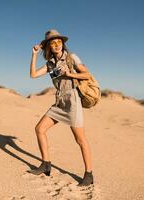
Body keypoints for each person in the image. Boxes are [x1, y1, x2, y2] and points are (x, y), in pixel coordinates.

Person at [29, 29, 93, 186]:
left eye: (59, 42)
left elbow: (87, 75)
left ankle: (89, 174)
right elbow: (33, 75)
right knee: (39, 129)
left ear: (63, 43)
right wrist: (34, 54)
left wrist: (70, 74)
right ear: (49, 47)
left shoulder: (72, 58)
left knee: (80, 139)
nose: (56, 45)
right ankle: (46, 165)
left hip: (73, 102)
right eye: (52, 43)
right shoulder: (50, 64)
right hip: (59, 103)